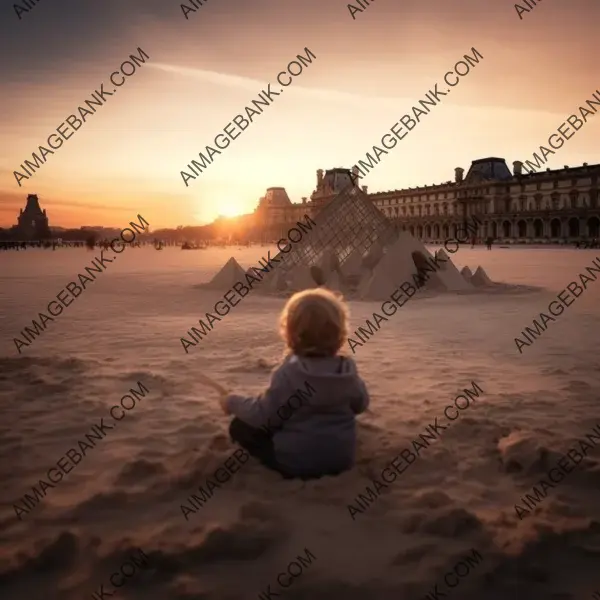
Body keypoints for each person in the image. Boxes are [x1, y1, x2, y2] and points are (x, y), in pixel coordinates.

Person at [211, 288, 370, 479]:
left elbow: (264, 415)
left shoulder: (288, 374)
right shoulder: (347, 371)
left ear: (290, 333)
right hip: (341, 461)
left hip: (296, 463)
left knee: (240, 427)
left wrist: (232, 402)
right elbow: (361, 405)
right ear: (340, 332)